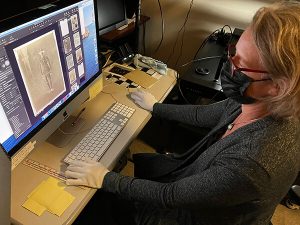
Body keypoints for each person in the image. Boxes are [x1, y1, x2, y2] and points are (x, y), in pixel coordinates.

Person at [65, 1, 300, 225]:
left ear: (278, 86)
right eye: (232, 51)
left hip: (194, 218)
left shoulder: (253, 163)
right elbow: (203, 115)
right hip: (201, 195)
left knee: (94, 207)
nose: (229, 64)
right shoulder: (257, 102)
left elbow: (170, 196)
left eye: (239, 64)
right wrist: (155, 107)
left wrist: (105, 179)